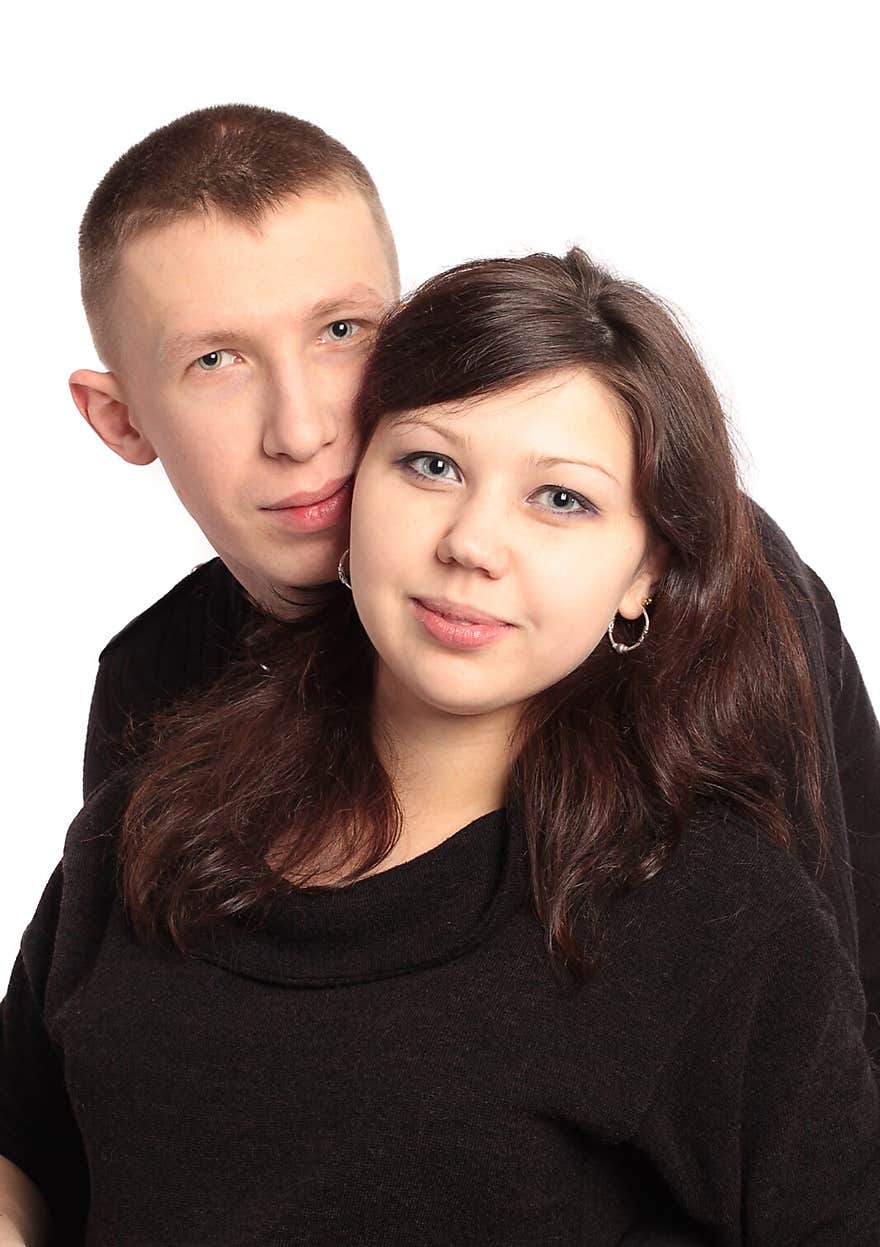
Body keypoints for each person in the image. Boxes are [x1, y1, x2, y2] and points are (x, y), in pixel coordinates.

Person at [1, 248, 878, 1247]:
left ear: (646, 570)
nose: (471, 543)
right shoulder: (147, 817)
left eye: (560, 499)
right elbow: (23, 1138)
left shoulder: (708, 909)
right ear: (352, 487)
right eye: (429, 466)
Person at [64, 107, 880, 1058]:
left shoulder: (694, 585)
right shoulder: (156, 683)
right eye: (217, 360)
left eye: (340, 330)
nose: (304, 427)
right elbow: (118, 1064)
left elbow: (826, 1044)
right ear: (121, 421)